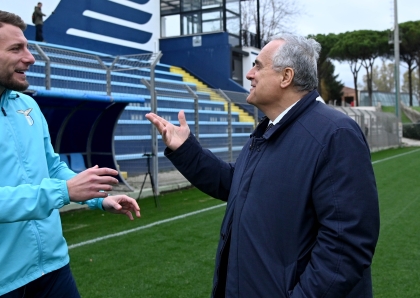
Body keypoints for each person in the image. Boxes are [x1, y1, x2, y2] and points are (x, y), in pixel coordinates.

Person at [0, 10, 140, 298]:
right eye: (16, 48)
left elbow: (51, 166)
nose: (31, 57)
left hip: (54, 266)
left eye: (28, 47)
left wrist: (100, 198)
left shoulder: (27, 105)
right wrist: (64, 191)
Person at [146, 34, 380, 297]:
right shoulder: (270, 130)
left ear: (286, 77)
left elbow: (346, 246)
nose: (249, 74)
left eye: (257, 65)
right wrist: (186, 149)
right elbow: (236, 183)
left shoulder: (335, 133)